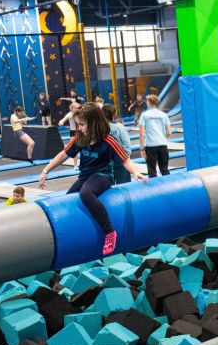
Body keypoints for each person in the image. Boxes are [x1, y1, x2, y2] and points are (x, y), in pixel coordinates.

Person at [39, 103, 147, 255]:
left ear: (94, 123)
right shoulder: (80, 138)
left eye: (82, 125)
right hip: (85, 176)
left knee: (86, 193)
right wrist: (46, 170)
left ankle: (109, 232)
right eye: (79, 125)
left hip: (103, 175)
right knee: (68, 199)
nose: (80, 128)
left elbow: (125, 159)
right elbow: (64, 154)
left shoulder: (108, 141)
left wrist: (136, 172)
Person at [138, 94, 172, 178]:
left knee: (152, 171)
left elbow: (141, 134)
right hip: (162, 144)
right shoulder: (164, 115)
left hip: (150, 146)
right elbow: (169, 132)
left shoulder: (144, 115)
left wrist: (142, 149)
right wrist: (162, 138)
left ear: (149, 102)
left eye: (147, 101)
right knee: (164, 170)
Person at [102, 104, 132, 184]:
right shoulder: (119, 127)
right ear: (114, 114)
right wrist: (126, 158)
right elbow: (126, 144)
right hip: (120, 159)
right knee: (124, 185)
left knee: (108, 186)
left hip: (105, 161)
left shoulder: (99, 127)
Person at [59, 102, 81, 168]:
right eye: (75, 108)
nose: (77, 109)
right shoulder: (69, 114)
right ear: (72, 108)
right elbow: (63, 119)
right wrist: (61, 122)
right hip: (73, 132)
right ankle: (75, 165)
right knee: (75, 148)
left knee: (83, 147)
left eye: (78, 108)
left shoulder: (81, 113)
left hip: (81, 131)